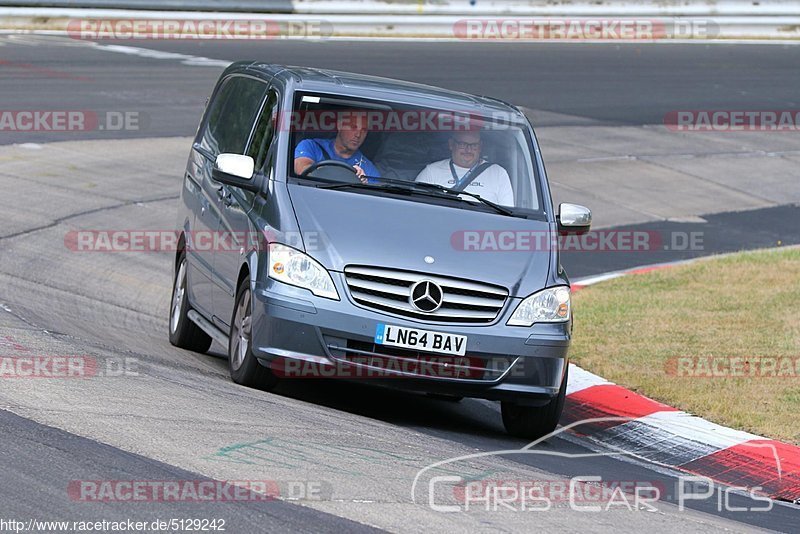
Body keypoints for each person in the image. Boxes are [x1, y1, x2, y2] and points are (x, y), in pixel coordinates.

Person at [415, 131, 513, 206]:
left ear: (480, 147)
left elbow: (508, 216)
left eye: (473, 145)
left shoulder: (498, 173)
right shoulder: (432, 172)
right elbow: (417, 209)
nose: (468, 150)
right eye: (462, 144)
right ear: (451, 144)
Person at [293, 110, 380, 181]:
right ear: (340, 125)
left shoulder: (369, 169)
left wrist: (364, 185)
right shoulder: (311, 146)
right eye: (353, 127)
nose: (358, 135)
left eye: (364, 130)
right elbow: (301, 169)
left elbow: (375, 197)